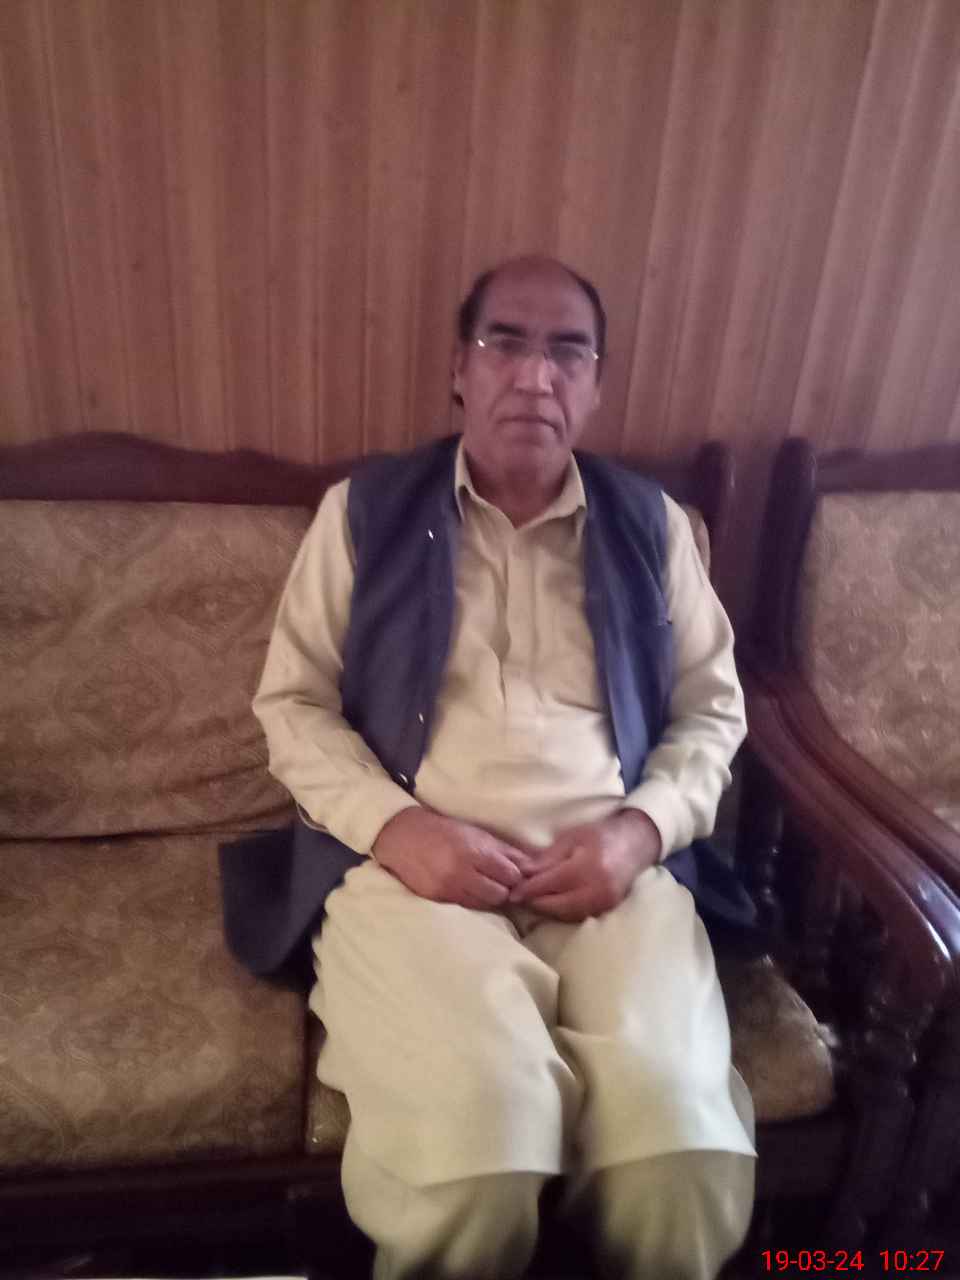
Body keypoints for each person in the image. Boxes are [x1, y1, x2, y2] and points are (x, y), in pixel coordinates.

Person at [243, 255, 757, 1279]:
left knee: (680, 1148)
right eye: (505, 343)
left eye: (568, 351)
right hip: (411, 877)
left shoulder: (652, 525)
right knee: (478, 1139)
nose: (535, 375)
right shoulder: (363, 512)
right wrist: (397, 828)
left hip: (611, 877)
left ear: (597, 383)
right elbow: (292, 707)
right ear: (459, 369)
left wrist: (640, 832)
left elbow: (713, 712)